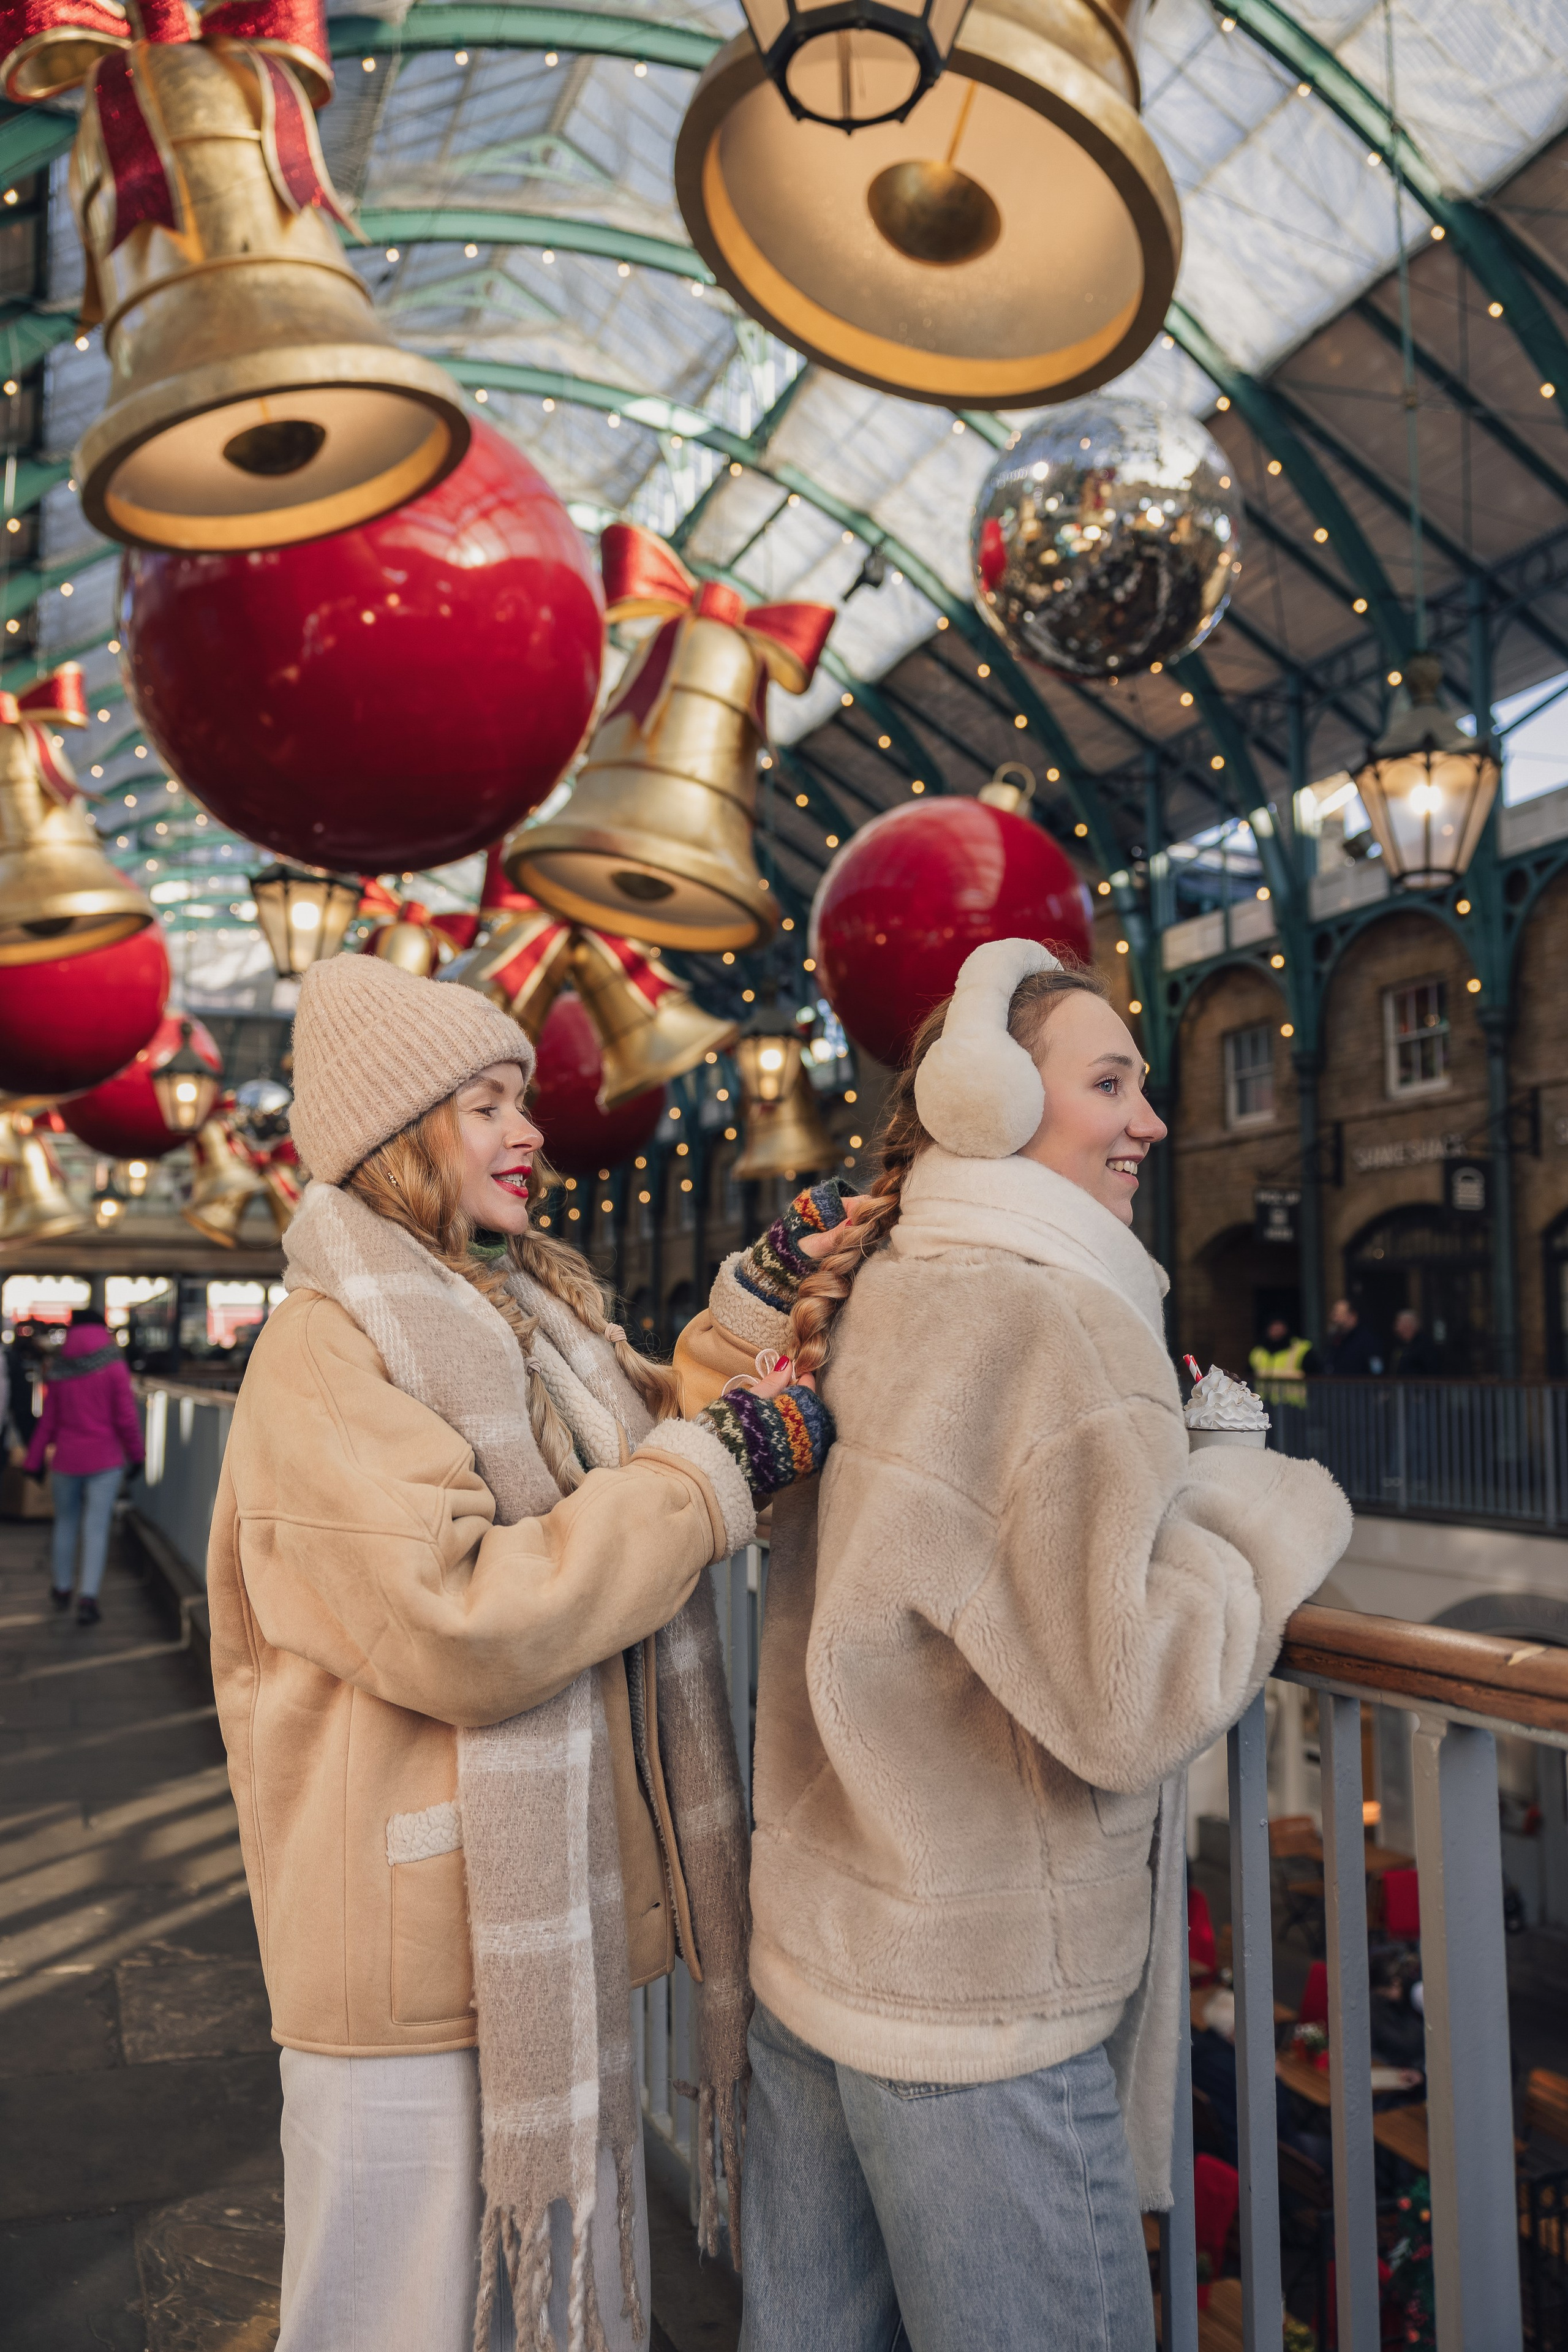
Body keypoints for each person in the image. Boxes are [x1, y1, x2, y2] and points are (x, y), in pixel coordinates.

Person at [677, 941, 1351, 2351]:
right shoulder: (1047, 1319)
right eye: (1108, 1081)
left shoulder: (879, 1287)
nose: (1146, 1121)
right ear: (985, 1103)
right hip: (974, 2006)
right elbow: (1122, 1693)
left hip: (822, 1953)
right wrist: (1250, 1501)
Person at [206, 956, 834, 2352]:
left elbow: (648, 1430)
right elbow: (464, 1621)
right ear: (398, 1134)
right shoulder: (329, 1350)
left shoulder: (517, 1317)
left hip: (515, 1917)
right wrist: (708, 1473)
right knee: (391, 2318)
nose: (528, 1130)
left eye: (521, 1100)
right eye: (484, 1103)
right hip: (410, 1952)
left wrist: (752, 1315)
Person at [24, 1312, 143, 1626]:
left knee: (65, 1523)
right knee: (96, 1528)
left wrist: (34, 1460)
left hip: (67, 1461)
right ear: (102, 1330)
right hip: (105, 1461)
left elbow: (48, 1421)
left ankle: (62, 1588)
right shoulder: (115, 1367)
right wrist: (138, 1456)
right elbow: (126, 1419)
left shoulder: (60, 1369)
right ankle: (88, 1598)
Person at [1248, 1315, 1311, 1411]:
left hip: (1293, 1405)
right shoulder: (1258, 1353)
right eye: (1273, 1327)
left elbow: (1313, 1372)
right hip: (1264, 1404)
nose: (1276, 1330)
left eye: (1279, 1326)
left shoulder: (1300, 1349)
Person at [1315, 1297, 1383, 1378]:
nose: (1333, 1318)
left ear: (1352, 1316)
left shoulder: (1367, 1341)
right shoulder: (1335, 1340)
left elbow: (1377, 1372)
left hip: (1357, 1388)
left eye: (1338, 1315)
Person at [1387, 1307, 1444, 1378]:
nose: (1396, 1328)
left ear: (1408, 1325)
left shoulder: (1425, 1347)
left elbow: (1433, 1372)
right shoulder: (1400, 1345)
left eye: (1399, 1323)